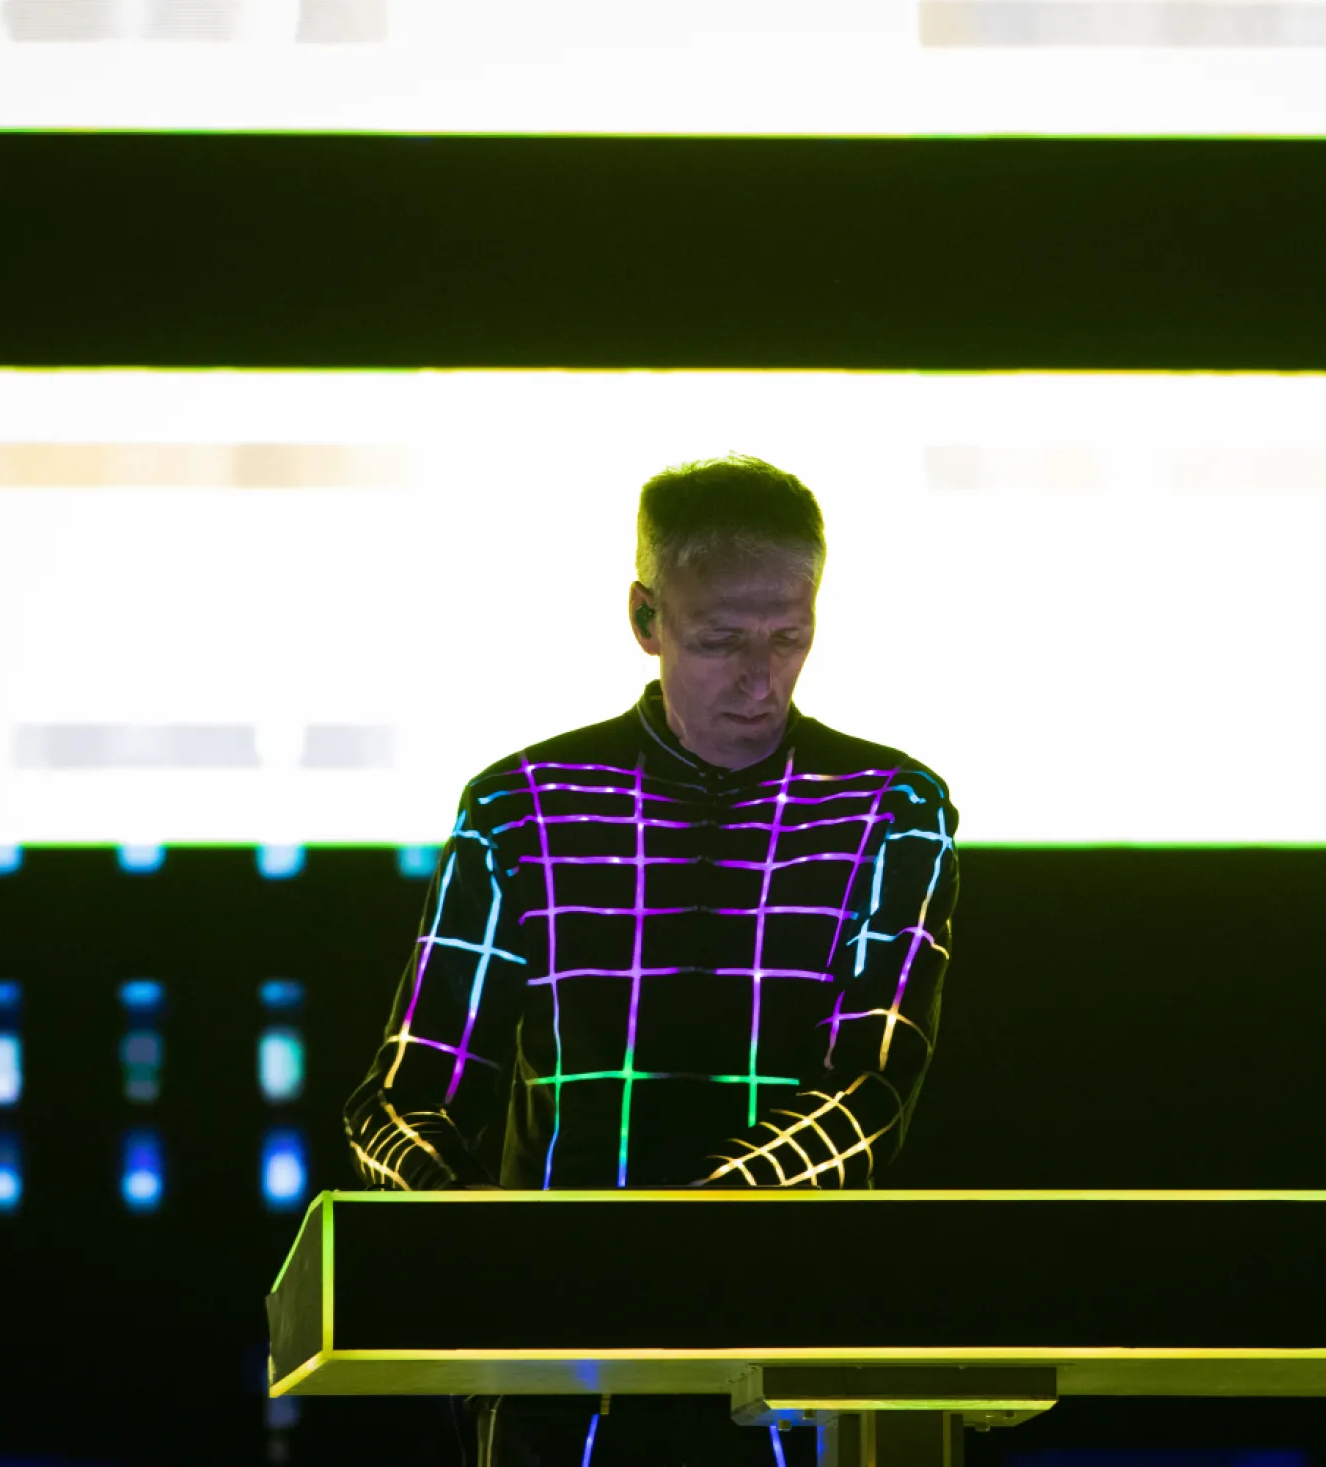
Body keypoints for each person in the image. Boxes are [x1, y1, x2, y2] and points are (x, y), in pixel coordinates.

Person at [343, 454, 961, 1466]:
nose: (760, 678)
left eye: (789, 636)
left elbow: (872, 1088)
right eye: (721, 640)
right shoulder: (519, 806)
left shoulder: (890, 806)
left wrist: (671, 1236)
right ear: (645, 616)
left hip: (793, 1356)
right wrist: (459, 1215)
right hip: (553, 1374)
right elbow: (402, 1097)